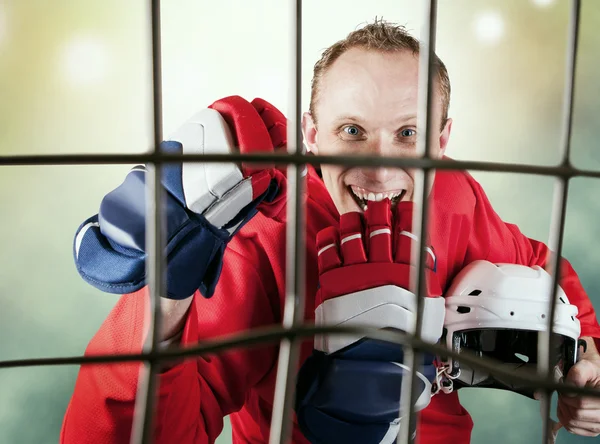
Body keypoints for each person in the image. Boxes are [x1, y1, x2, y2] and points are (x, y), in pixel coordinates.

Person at [61, 20, 600, 444]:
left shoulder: (454, 195)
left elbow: (540, 263)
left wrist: (587, 360)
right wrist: (160, 309)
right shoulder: (266, 238)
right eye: (352, 131)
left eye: (408, 133)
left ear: (442, 141)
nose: (381, 169)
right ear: (312, 135)